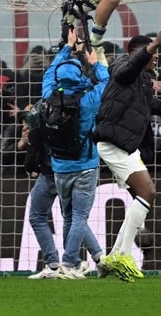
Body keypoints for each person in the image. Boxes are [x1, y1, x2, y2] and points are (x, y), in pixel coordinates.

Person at [95, 22, 161, 282]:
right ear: (141, 53)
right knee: (148, 192)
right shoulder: (121, 65)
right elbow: (126, 71)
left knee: (142, 194)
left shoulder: (142, 79)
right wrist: (154, 43)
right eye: (154, 54)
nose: (157, 59)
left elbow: (149, 102)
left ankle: (112, 257)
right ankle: (123, 255)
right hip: (113, 141)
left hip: (125, 144)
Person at [42, 27, 110, 279]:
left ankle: (76, 260)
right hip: (85, 165)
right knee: (79, 216)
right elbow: (107, 83)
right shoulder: (88, 99)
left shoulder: (49, 94)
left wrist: (66, 49)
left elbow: (50, 72)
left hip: (59, 166)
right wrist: (95, 62)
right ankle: (70, 263)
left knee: (68, 215)